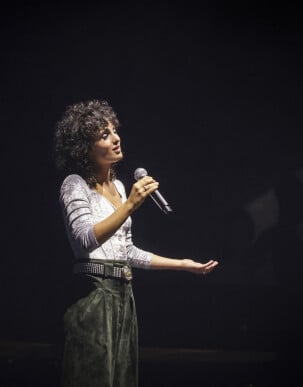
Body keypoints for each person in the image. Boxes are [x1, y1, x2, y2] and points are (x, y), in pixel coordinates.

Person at [53, 99, 219, 387]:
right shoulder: (75, 184)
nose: (116, 138)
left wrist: (181, 264)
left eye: (114, 130)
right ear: (85, 148)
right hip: (93, 296)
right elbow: (84, 241)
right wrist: (130, 204)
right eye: (104, 135)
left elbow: (125, 251)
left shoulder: (118, 187)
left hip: (123, 296)